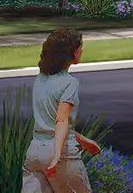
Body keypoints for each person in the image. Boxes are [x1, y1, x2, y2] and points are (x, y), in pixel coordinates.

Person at [22, 28, 102, 193]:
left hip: (35, 152)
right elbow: (61, 120)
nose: (81, 50)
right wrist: (57, 155)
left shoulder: (40, 79)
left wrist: (84, 141)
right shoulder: (69, 83)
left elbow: (52, 121)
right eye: (80, 47)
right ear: (72, 53)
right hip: (62, 153)